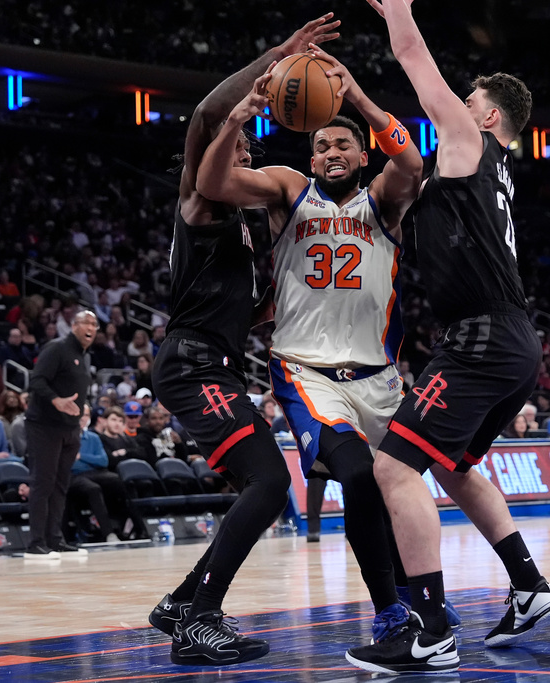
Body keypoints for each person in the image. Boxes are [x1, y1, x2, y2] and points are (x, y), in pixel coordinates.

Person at [345, 2, 550, 673]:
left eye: (469, 98)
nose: (458, 103)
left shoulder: (471, 142)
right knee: (455, 464)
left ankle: (432, 629)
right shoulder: (486, 169)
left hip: (482, 338)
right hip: (513, 338)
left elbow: (414, 61)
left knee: (393, 465)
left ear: (489, 114)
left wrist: (401, 9)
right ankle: (528, 583)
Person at [197, 43, 424, 639]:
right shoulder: (290, 190)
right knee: (353, 474)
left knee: (394, 490)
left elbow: (413, 164)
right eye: (320, 145)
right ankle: (389, 612)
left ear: (361, 151)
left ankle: (412, 597)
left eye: (341, 143)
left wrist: (356, 99)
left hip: (379, 377)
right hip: (306, 370)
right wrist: (239, 118)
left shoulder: (384, 201)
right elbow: (214, 181)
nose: (329, 153)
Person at [145, 14, 340, 667]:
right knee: (267, 482)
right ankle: (201, 617)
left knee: (259, 486)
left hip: (214, 362)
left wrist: (280, 306)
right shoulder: (197, 206)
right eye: (236, 151)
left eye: (251, 154)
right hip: (193, 363)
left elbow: (246, 311)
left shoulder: (241, 230)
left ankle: (181, 602)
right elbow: (205, 113)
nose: (244, 158)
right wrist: (277, 58)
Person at [24, 310, 97, 560]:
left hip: (70, 428)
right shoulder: (57, 348)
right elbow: (36, 381)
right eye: (86, 322)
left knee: (60, 485)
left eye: (95, 324)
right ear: (74, 326)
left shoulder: (83, 356)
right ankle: (36, 543)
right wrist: (56, 400)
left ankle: (55, 539)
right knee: (42, 483)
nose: (91, 327)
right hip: (44, 426)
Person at [68, 404, 128, 543]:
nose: (83, 418)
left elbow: (103, 461)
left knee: (119, 481)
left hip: (94, 473)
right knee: (93, 488)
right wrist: (88, 461)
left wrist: (81, 456)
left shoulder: (93, 437)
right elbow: (72, 465)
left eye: (87, 415)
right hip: (72, 476)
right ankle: (109, 534)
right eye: (81, 414)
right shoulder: (67, 437)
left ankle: (131, 527)